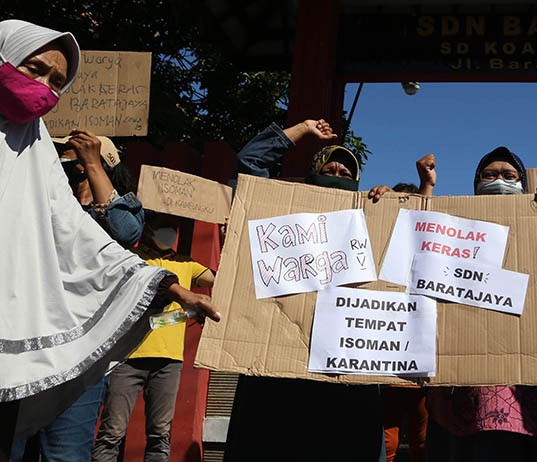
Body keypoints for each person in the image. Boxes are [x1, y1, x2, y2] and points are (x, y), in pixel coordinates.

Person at [0, 19, 220, 460]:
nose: (44, 88)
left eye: (58, 82)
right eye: (34, 69)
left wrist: (170, 288)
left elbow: (102, 241)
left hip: (80, 349)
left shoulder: (35, 153)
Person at [224, 118, 387, 461]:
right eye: (331, 169)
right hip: (280, 366)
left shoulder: (370, 222)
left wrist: (390, 209)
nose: (338, 177)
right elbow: (251, 165)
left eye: (347, 175)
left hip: (346, 368)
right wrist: (302, 129)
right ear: (314, 172)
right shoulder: (281, 210)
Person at [425, 146, 537, 462]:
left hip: (535, 381)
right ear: (476, 182)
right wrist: (424, 189)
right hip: (472, 379)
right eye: (490, 175)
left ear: (522, 184)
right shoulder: (455, 231)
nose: (499, 180)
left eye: (509, 176)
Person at [10, 131, 148, 461]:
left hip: (80, 358)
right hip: (24, 350)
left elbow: (125, 234)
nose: (61, 161)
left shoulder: (119, 209)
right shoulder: (40, 203)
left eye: (70, 157)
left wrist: (90, 161)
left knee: (66, 454)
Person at [92, 211, 215, 462]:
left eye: (174, 227)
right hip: (126, 358)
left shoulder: (186, 264)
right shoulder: (133, 258)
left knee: (160, 436)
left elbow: (219, 279)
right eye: (164, 226)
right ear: (147, 228)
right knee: (111, 433)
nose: (170, 232)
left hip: (169, 361)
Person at [377, 154, 437, 462]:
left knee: (422, 440)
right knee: (385, 442)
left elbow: (421, 224)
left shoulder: (426, 247)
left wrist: (426, 186)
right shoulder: (376, 246)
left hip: (418, 362)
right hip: (381, 360)